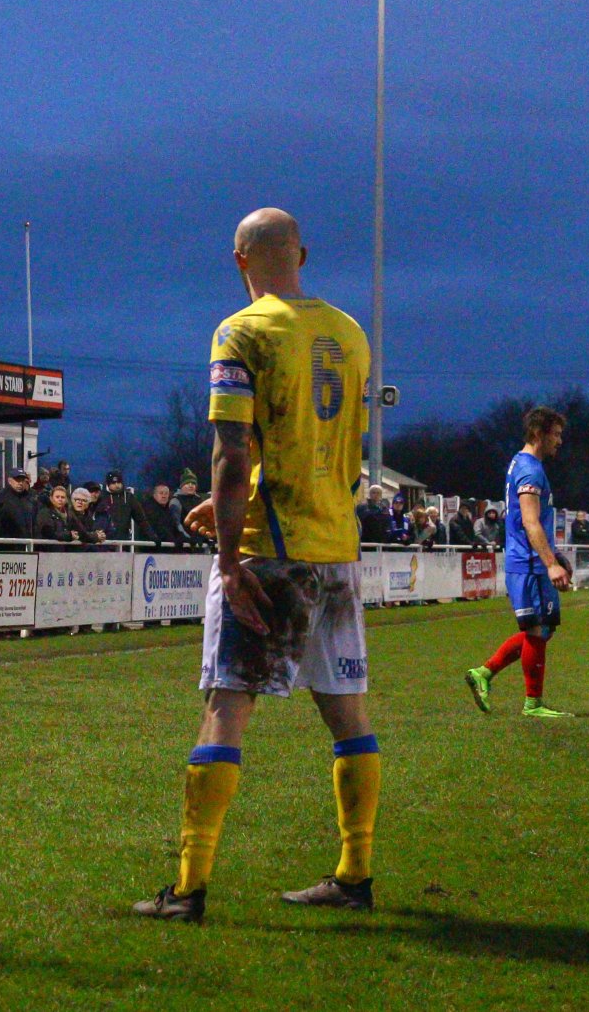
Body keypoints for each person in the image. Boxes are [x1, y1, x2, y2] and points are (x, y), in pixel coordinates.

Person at [134, 207, 378, 922]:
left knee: (225, 707)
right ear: (301, 251)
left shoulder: (240, 331)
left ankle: (188, 887)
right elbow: (332, 445)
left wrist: (229, 556)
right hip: (337, 546)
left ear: (238, 259)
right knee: (348, 714)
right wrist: (240, 501)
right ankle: (355, 873)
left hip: (270, 554)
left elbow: (231, 451)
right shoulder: (350, 332)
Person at [464, 407, 575, 719]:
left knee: (542, 629)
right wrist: (550, 563)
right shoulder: (529, 470)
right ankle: (532, 703)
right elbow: (530, 521)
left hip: (531, 560)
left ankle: (483, 674)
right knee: (538, 630)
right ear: (538, 434)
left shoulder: (522, 462)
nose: (560, 441)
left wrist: (555, 558)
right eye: (555, 434)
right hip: (528, 564)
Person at [96, 469, 152, 542]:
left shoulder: (129, 497)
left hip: (124, 540)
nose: (117, 485)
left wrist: (152, 535)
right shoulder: (101, 497)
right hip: (104, 541)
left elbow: (141, 518)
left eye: (119, 482)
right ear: (108, 484)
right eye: (113, 483)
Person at [0, 468, 37, 540]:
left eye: (22, 480)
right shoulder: (1, 499)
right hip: (7, 545)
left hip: (27, 544)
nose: (20, 483)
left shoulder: (31, 498)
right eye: (17, 480)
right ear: (9, 480)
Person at [141, 483, 183, 548]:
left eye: (166, 493)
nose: (164, 496)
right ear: (154, 495)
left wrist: (181, 538)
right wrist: (173, 540)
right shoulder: (148, 508)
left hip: (168, 547)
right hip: (152, 549)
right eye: (161, 493)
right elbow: (158, 527)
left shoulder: (169, 510)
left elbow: (175, 528)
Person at [172, 469, 206, 545]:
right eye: (187, 483)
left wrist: (206, 537)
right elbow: (176, 524)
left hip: (200, 542)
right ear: (181, 486)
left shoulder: (200, 501)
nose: (191, 485)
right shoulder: (176, 501)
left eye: (193, 483)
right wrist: (188, 538)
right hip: (184, 545)